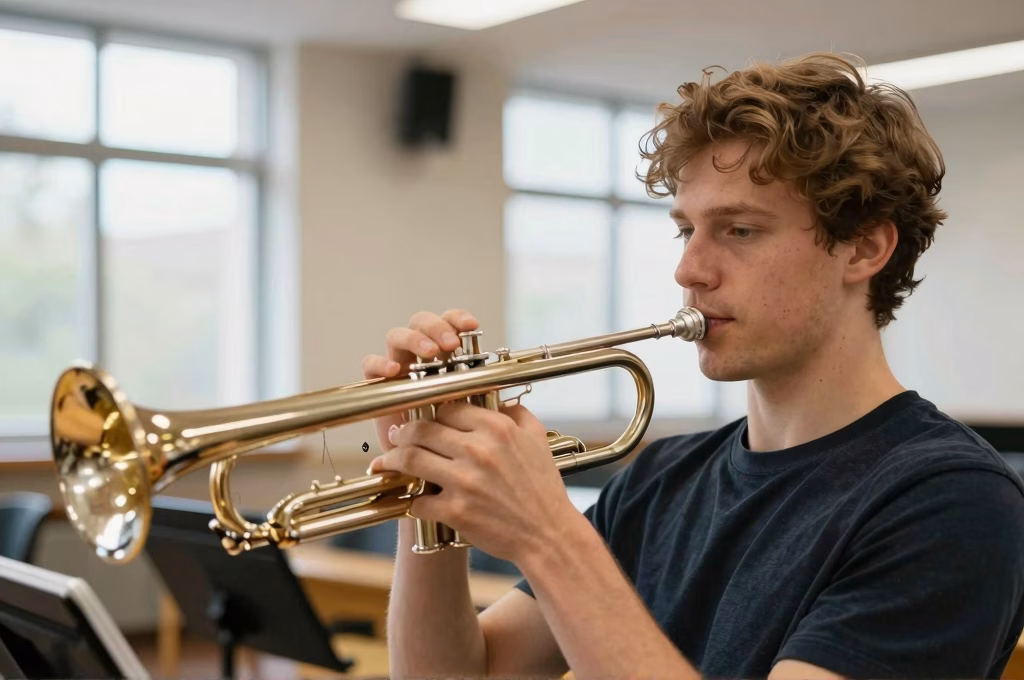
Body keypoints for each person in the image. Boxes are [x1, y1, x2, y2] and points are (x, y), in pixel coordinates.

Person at [360, 52, 1024, 679]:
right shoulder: (659, 478)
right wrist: (428, 490)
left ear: (864, 248)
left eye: (740, 230)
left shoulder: (952, 501)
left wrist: (549, 534)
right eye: (687, 230)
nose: (688, 269)